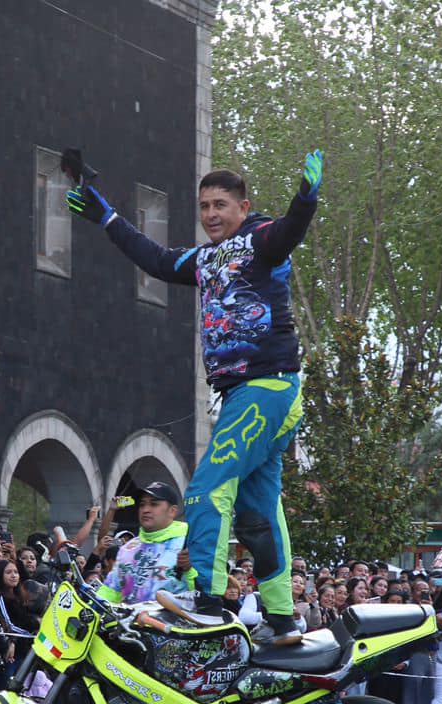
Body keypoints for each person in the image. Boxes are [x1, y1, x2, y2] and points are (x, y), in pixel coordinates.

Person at [69, 150, 323, 641]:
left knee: (206, 489)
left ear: (243, 207)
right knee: (257, 507)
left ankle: (207, 599)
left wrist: (305, 200)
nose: (210, 214)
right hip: (246, 395)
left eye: (221, 205)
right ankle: (282, 617)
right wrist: (107, 216)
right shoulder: (204, 258)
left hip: (266, 386)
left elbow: (288, 232)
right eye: (205, 206)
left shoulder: (259, 239)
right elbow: (155, 258)